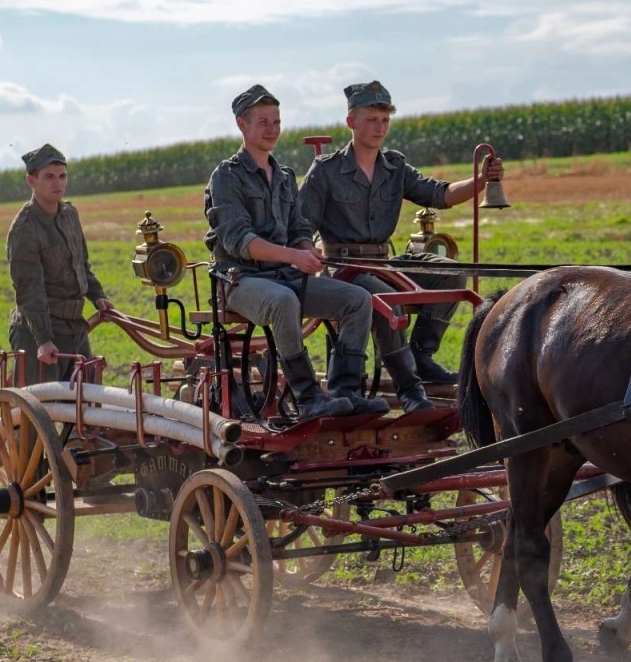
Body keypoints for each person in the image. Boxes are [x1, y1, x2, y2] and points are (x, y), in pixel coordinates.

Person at [299, 80, 504, 413]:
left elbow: (440, 194)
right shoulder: (326, 171)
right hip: (343, 267)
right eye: (372, 119)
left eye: (385, 120)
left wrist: (481, 181)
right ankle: (410, 390)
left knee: (449, 275)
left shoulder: (394, 167)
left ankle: (422, 357)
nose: (380, 127)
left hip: (384, 261)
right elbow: (301, 225)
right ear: (351, 121)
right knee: (387, 300)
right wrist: (305, 255)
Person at [204, 84, 385, 422]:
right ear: (242, 125)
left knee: (357, 299)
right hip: (241, 281)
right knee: (282, 301)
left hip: (285, 277)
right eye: (263, 122)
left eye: (276, 121)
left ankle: (345, 393)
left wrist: (306, 249)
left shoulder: (285, 176)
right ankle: (307, 398)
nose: (272, 129)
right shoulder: (226, 177)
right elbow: (239, 240)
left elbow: (299, 229)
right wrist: (292, 256)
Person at [6, 144, 114, 386]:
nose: (58, 183)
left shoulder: (69, 215)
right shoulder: (24, 229)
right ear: (31, 181)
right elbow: (29, 290)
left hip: (75, 329)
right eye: (49, 177)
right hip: (39, 334)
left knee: (85, 409)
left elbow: (82, 265)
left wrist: (98, 297)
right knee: (40, 412)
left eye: (62, 176)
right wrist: (43, 341)